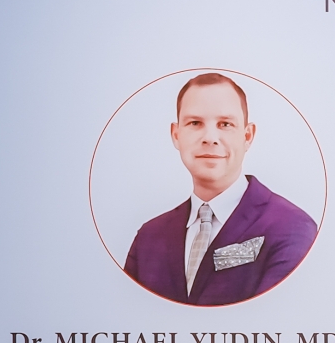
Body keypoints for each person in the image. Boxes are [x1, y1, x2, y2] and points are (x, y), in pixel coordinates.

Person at [124, 72, 317, 306]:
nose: (210, 138)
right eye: (195, 123)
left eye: (225, 124)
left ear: (247, 136)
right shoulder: (148, 237)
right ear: (176, 135)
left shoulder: (292, 228)